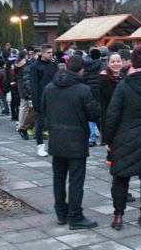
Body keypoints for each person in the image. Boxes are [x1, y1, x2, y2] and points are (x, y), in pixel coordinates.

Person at [104, 46, 141, 230]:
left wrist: (107, 139)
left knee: (121, 178)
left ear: (132, 62)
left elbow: (113, 114)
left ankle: (118, 216)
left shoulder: (124, 85)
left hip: (125, 136)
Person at [42, 55, 100, 230]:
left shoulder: (49, 87)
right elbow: (93, 114)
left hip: (56, 137)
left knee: (59, 178)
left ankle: (61, 213)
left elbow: (43, 110)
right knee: (76, 180)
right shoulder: (83, 90)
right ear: (81, 70)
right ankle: (75, 216)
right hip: (76, 139)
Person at [31, 44, 58, 157]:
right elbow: (34, 85)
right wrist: (35, 101)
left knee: (54, 123)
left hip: (53, 97)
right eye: (48, 52)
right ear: (42, 53)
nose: (51, 54)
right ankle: (40, 146)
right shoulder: (35, 66)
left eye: (51, 52)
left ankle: (53, 145)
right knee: (40, 123)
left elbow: (56, 80)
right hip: (41, 98)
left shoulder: (53, 64)